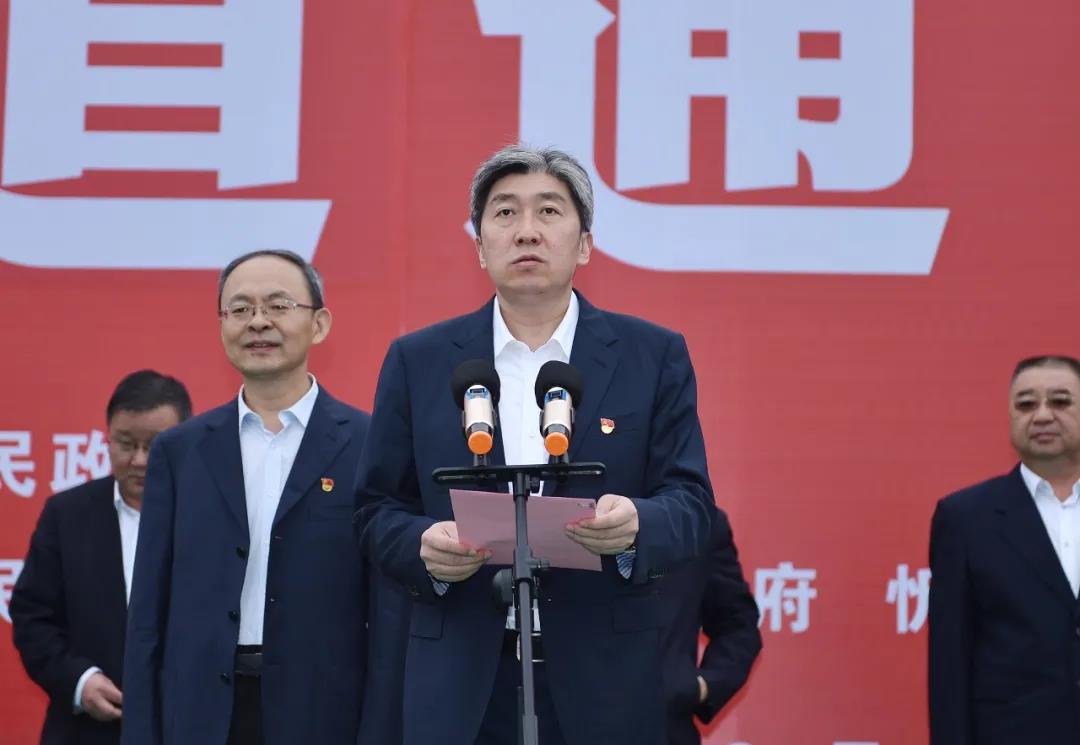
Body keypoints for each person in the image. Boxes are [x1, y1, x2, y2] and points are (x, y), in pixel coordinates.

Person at [356, 144, 717, 745]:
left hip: (604, 680)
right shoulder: (419, 361)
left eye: (549, 211)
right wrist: (422, 546)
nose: (526, 230)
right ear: (479, 246)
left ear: (584, 244)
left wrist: (636, 525)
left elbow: (691, 504)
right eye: (505, 213)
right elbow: (375, 510)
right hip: (461, 683)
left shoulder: (652, 356)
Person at [122, 250, 379, 745]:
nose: (258, 322)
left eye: (278, 306)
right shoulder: (180, 451)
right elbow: (148, 614)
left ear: (319, 324)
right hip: (201, 714)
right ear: (222, 326)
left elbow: (387, 615)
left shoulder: (368, 443)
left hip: (324, 714)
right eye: (240, 309)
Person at [10, 369, 192, 745]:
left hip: (188, 726)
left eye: (154, 446)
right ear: (107, 438)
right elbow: (33, 619)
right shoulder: (67, 515)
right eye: (125, 444)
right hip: (88, 732)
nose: (139, 460)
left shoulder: (216, 517)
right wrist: (80, 681)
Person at [929, 355, 1080, 745]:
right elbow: (950, 663)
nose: (1042, 415)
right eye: (1026, 404)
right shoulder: (965, 518)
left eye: (1060, 401)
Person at [660, 509, 761, 745]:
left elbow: (738, 624)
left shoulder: (699, 521)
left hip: (664, 728)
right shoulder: (578, 513)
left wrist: (699, 686)